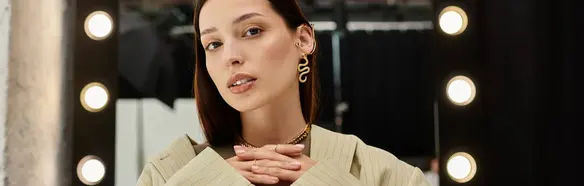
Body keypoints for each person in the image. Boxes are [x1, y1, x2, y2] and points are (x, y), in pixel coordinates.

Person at [136, 0, 431, 185]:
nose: (231, 56)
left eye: (252, 31)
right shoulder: (169, 174)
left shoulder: (385, 176)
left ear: (303, 39)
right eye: (214, 44)